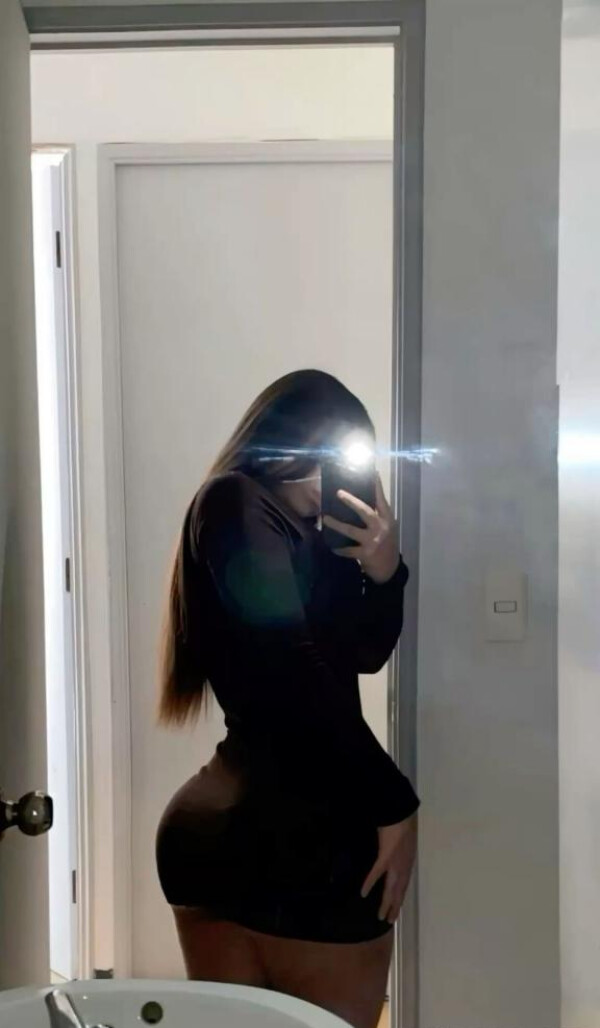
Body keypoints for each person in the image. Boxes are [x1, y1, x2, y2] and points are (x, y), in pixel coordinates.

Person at [156, 369, 419, 1028]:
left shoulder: (308, 537)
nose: (340, 476)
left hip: (269, 839)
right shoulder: (234, 502)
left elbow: (361, 655)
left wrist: (385, 573)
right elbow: (294, 674)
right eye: (332, 454)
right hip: (275, 847)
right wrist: (395, 802)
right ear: (290, 441)